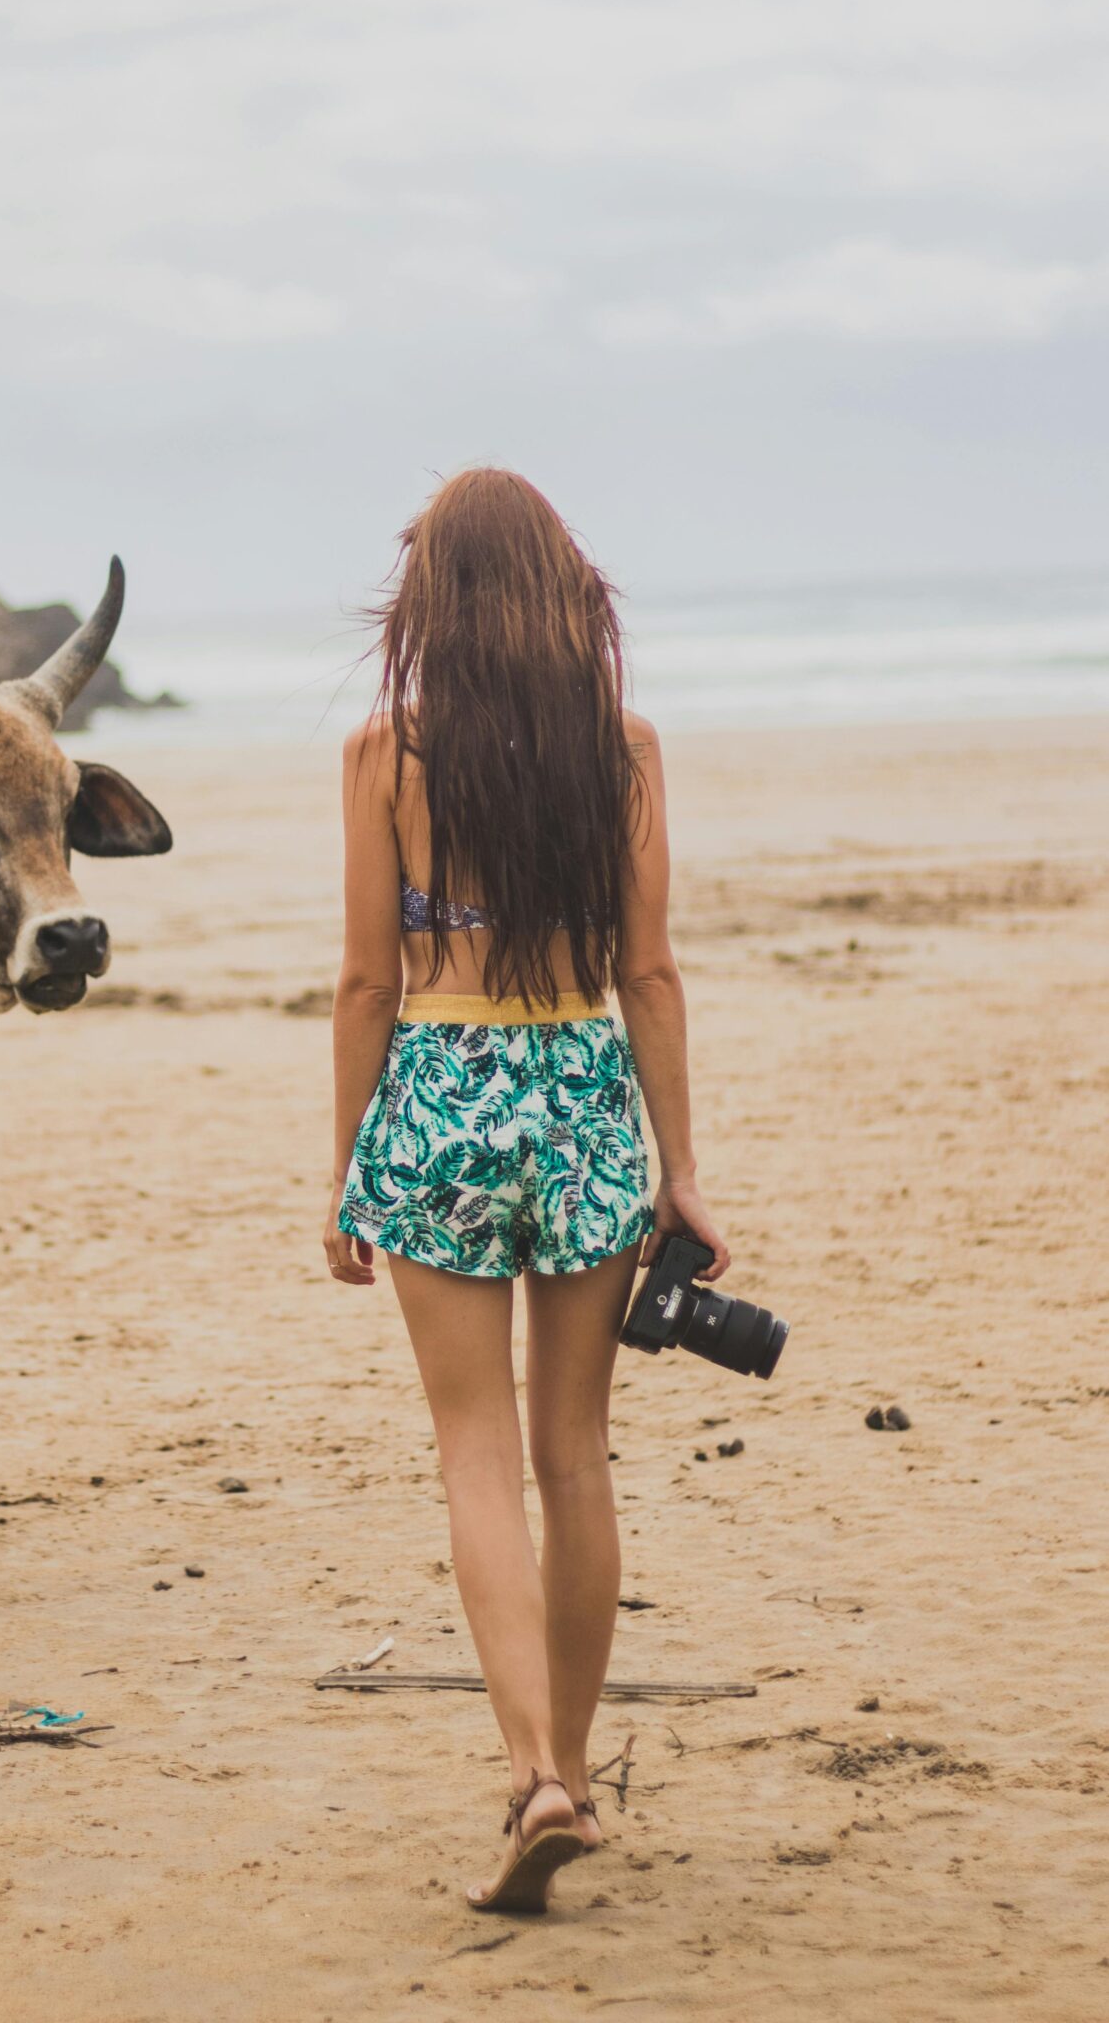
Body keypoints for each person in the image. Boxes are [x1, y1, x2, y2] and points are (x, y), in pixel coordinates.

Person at [322, 468, 728, 1915]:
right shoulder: (622, 747)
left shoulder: (386, 754)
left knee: (476, 1454)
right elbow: (651, 971)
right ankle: (574, 1762)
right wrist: (678, 1169)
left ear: (429, 600)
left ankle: (533, 1778)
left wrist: (346, 1168)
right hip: (581, 1097)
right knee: (577, 1455)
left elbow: (369, 980)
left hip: (440, 1090)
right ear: (568, 588)